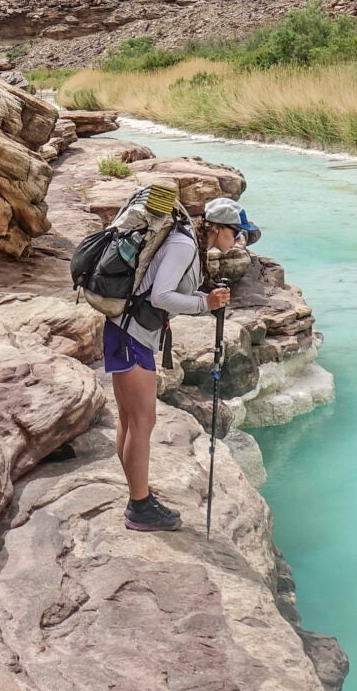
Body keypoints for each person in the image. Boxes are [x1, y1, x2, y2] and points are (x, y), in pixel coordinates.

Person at [106, 190, 258, 531]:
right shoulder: (185, 245)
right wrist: (207, 304)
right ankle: (139, 507)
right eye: (236, 232)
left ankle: (137, 493)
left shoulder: (189, 243)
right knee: (141, 420)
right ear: (218, 227)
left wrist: (203, 298)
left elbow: (165, 294)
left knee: (132, 419)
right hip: (131, 334)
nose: (239, 239)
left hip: (128, 330)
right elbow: (161, 295)